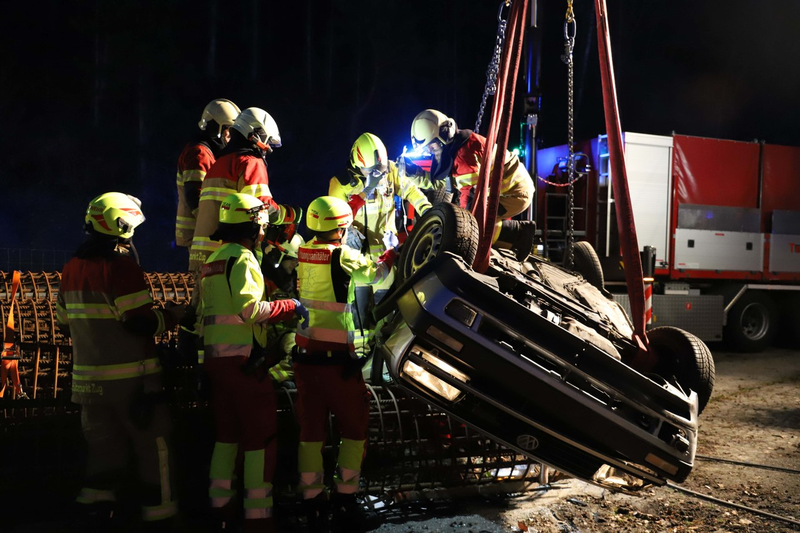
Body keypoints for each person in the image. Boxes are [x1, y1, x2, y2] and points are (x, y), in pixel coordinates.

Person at [56, 192, 187, 530]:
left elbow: (63, 322)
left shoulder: (71, 268)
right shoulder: (121, 268)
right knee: (154, 450)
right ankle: (161, 517)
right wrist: (172, 316)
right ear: (122, 224)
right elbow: (138, 322)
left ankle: (95, 515)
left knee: (103, 454)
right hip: (132, 383)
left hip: (88, 387)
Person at [201, 193, 308, 533]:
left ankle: (220, 507)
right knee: (260, 439)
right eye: (262, 223)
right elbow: (249, 311)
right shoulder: (243, 259)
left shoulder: (213, 259)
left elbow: (201, 314)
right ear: (253, 226)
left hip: (217, 363)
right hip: (244, 363)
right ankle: (258, 517)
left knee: (226, 436)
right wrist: (289, 306)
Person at [293, 195, 397, 531]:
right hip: (336, 363)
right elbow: (378, 275)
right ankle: (346, 499)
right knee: (354, 431)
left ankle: (312, 500)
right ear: (340, 227)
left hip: (305, 360)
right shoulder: (342, 255)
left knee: (310, 433)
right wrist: (394, 254)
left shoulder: (304, 251)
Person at [328, 132, 431, 358]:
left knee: (387, 315)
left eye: (381, 170)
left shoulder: (390, 170)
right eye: (373, 171)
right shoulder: (341, 183)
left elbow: (412, 191)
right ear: (358, 165)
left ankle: (383, 363)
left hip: (387, 258)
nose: (379, 175)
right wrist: (349, 231)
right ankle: (359, 363)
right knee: (359, 319)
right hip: (358, 263)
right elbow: (334, 219)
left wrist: (427, 211)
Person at [409, 108, 536, 260]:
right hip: (507, 192)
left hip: (514, 194)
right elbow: (441, 183)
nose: (430, 151)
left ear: (443, 135)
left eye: (432, 146)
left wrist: (460, 231)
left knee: (476, 224)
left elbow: (470, 199)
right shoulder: (454, 148)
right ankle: (516, 236)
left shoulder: (464, 157)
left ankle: (520, 234)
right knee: (474, 223)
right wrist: (416, 174)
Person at [175, 98, 241, 260]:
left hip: (202, 230)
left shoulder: (204, 151)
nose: (230, 136)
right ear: (216, 128)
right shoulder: (200, 153)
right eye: (228, 129)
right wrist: (213, 226)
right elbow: (195, 195)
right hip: (201, 232)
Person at [261, 233, 304, 386]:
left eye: (297, 262)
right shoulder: (264, 281)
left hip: (288, 335)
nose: (294, 266)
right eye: (292, 260)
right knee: (299, 352)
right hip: (272, 338)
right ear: (279, 257)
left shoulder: (290, 281)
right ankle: (267, 380)